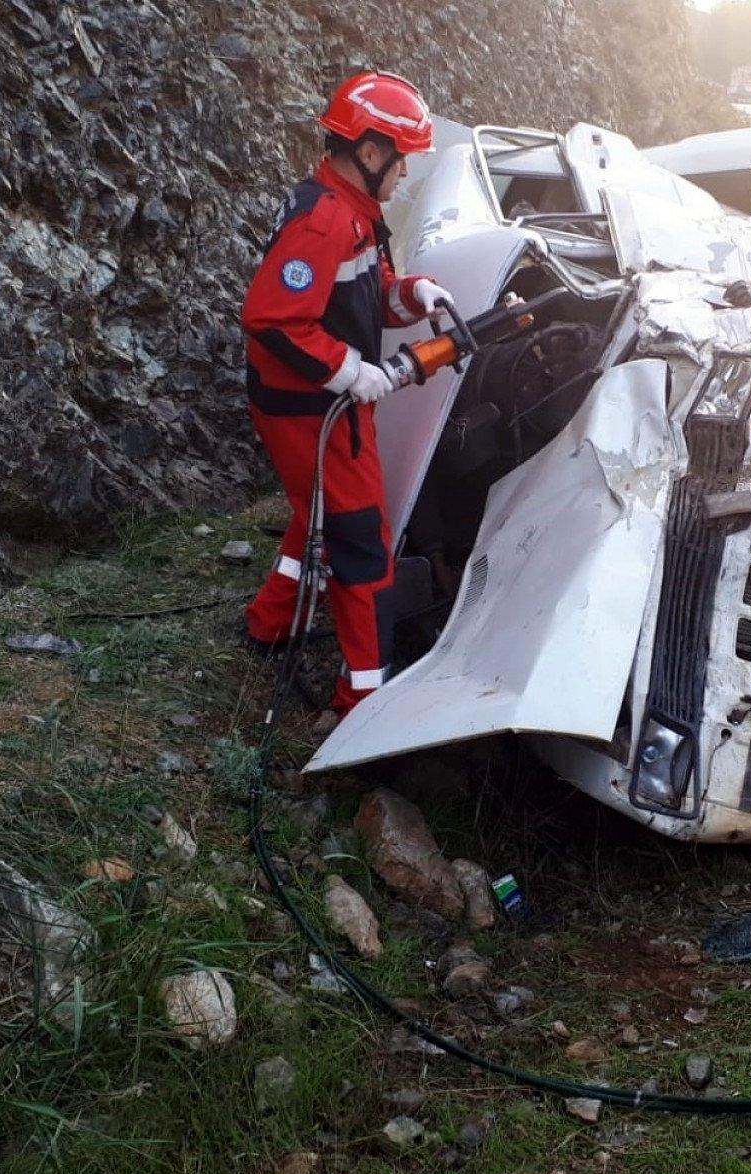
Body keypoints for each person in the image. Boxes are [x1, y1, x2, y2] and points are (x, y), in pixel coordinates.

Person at [241, 71, 453, 716]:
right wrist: (352, 372)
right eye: (404, 161)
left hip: (313, 404)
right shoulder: (326, 222)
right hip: (312, 411)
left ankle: (269, 624)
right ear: (370, 151)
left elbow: (364, 295)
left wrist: (412, 293)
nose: (407, 176)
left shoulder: (355, 215)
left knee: (317, 514)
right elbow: (272, 318)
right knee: (362, 543)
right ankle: (361, 701)